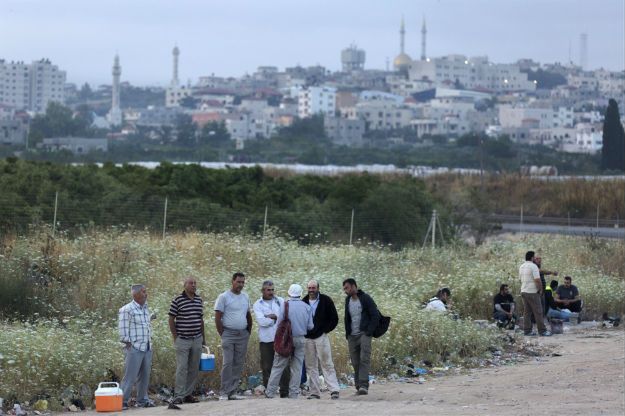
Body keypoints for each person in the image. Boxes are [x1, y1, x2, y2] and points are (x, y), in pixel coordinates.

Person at [265, 284, 314, 399]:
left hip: (286, 340)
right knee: (297, 367)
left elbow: (279, 324)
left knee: (278, 366)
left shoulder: (284, 305)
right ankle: (294, 393)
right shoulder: (307, 307)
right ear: (301, 294)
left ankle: (270, 392)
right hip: (301, 339)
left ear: (289, 293)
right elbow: (310, 326)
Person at [215, 272, 253, 401]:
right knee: (228, 363)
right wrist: (223, 334)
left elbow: (248, 315)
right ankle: (224, 392)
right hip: (229, 334)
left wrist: (248, 331)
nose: (241, 285)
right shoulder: (224, 297)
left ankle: (232, 391)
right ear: (232, 281)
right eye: (238, 282)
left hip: (242, 334)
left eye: (243, 282)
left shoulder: (245, 297)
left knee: (238, 363)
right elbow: (218, 317)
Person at [168, 277, 205, 404]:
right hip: (182, 339)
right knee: (182, 368)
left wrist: (203, 338)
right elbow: (171, 319)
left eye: (195, 283)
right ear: (185, 285)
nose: (193, 285)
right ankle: (179, 395)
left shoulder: (199, 299)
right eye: (191, 283)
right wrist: (175, 337)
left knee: (194, 368)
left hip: (197, 338)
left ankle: (188, 394)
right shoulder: (177, 300)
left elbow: (201, 320)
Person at [118, 284, 155, 409]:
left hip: (147, 346)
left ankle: (142, 400)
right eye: (143, 292)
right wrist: (128, 344)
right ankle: (122, 401)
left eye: (146, 291)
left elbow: (145, 325)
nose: (146, 294)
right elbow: (123, 330)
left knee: (144, 376)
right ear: (135, 294)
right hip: (134, 347)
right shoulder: (126, 309)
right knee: (130, 376)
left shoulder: (145, 308)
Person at [302, 280, 340, 400]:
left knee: (327, 363)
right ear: (307, 288)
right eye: (309, 288)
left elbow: (334, 318)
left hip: (321, 337)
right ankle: (314, 392)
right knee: (310, 365)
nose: (311, 290)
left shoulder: (326, 300)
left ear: (318, 288)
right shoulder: (303, 301)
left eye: (313, 287)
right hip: (307, 338)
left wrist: (325, 330)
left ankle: (334, 390)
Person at [343, 278, 380, 396]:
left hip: (364, 333)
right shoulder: (347, 300)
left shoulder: (365, 298)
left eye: (347, 288)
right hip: (352, 336)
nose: (345, 291)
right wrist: (347, 333)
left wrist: (369, 331)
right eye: (344, 289)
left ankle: (364, 385)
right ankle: (358, 385)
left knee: (364, 358)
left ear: (354, 286)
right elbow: (346, 317)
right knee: (355, 361)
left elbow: (375, 315)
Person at [252, 280, 290, 398]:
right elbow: (262, 322)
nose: (271, 292)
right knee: (267, 366)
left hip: (281, 339)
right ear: (262, 290)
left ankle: (285, 392)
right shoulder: (258, 304)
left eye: (272, 289)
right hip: (266, 340)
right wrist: (276, 318)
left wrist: (273, 317)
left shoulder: (280, 301)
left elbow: (286, 318)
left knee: (284, 366)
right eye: (268, 290)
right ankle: (269, 392)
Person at [520, 251, 551, 336]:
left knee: (527, 312)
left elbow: (521, 278)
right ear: (532, 258)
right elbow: (537, 280)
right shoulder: (533, 266)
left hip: (524, 291)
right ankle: (542, 331)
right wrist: (540, 290)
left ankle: (527, 331)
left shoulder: (522, 266)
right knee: (539, 311)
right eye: (534, 257)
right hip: (532, 292)